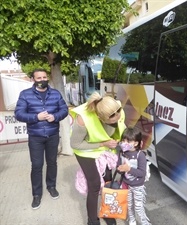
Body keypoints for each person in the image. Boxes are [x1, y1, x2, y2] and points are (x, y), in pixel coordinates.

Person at [14, 68, 68, 210]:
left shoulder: (56, 94)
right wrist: (35, 117)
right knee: (37, 166)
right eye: (39, 78)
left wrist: (55, 116)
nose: (42, 80)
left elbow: (64, 110)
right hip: (35, 137)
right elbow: (19, 114)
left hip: (52, 135)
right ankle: (36, 194)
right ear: (33, 79)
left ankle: (51, 186)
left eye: (44, 77)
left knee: (52, 163)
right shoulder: (25, 95)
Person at [70, 92, 126, 225]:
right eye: (112, 117)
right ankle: (93, 221)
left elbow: (120, 127)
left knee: (108, 181)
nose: (117, 117)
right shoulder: (83, 119)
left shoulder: (115, 108)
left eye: (118, 114)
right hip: (86, 150)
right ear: (100, 117)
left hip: (105, 149)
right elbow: (75, 144)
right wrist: (102, 143)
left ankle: (107, 212)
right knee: (94, 184)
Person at [117, 127, 151, 225]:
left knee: (138, 207)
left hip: (137, 185)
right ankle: (132, 221)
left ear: (135, 143)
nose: (124, 142)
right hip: (126, 184)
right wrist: (120, 169)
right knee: (129, 205)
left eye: (128, 141)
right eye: (123, 140)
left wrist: (129, 169)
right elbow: (119, 167)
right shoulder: (122, 153)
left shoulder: (140, 155)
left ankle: (145, 223)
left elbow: (142, 173)